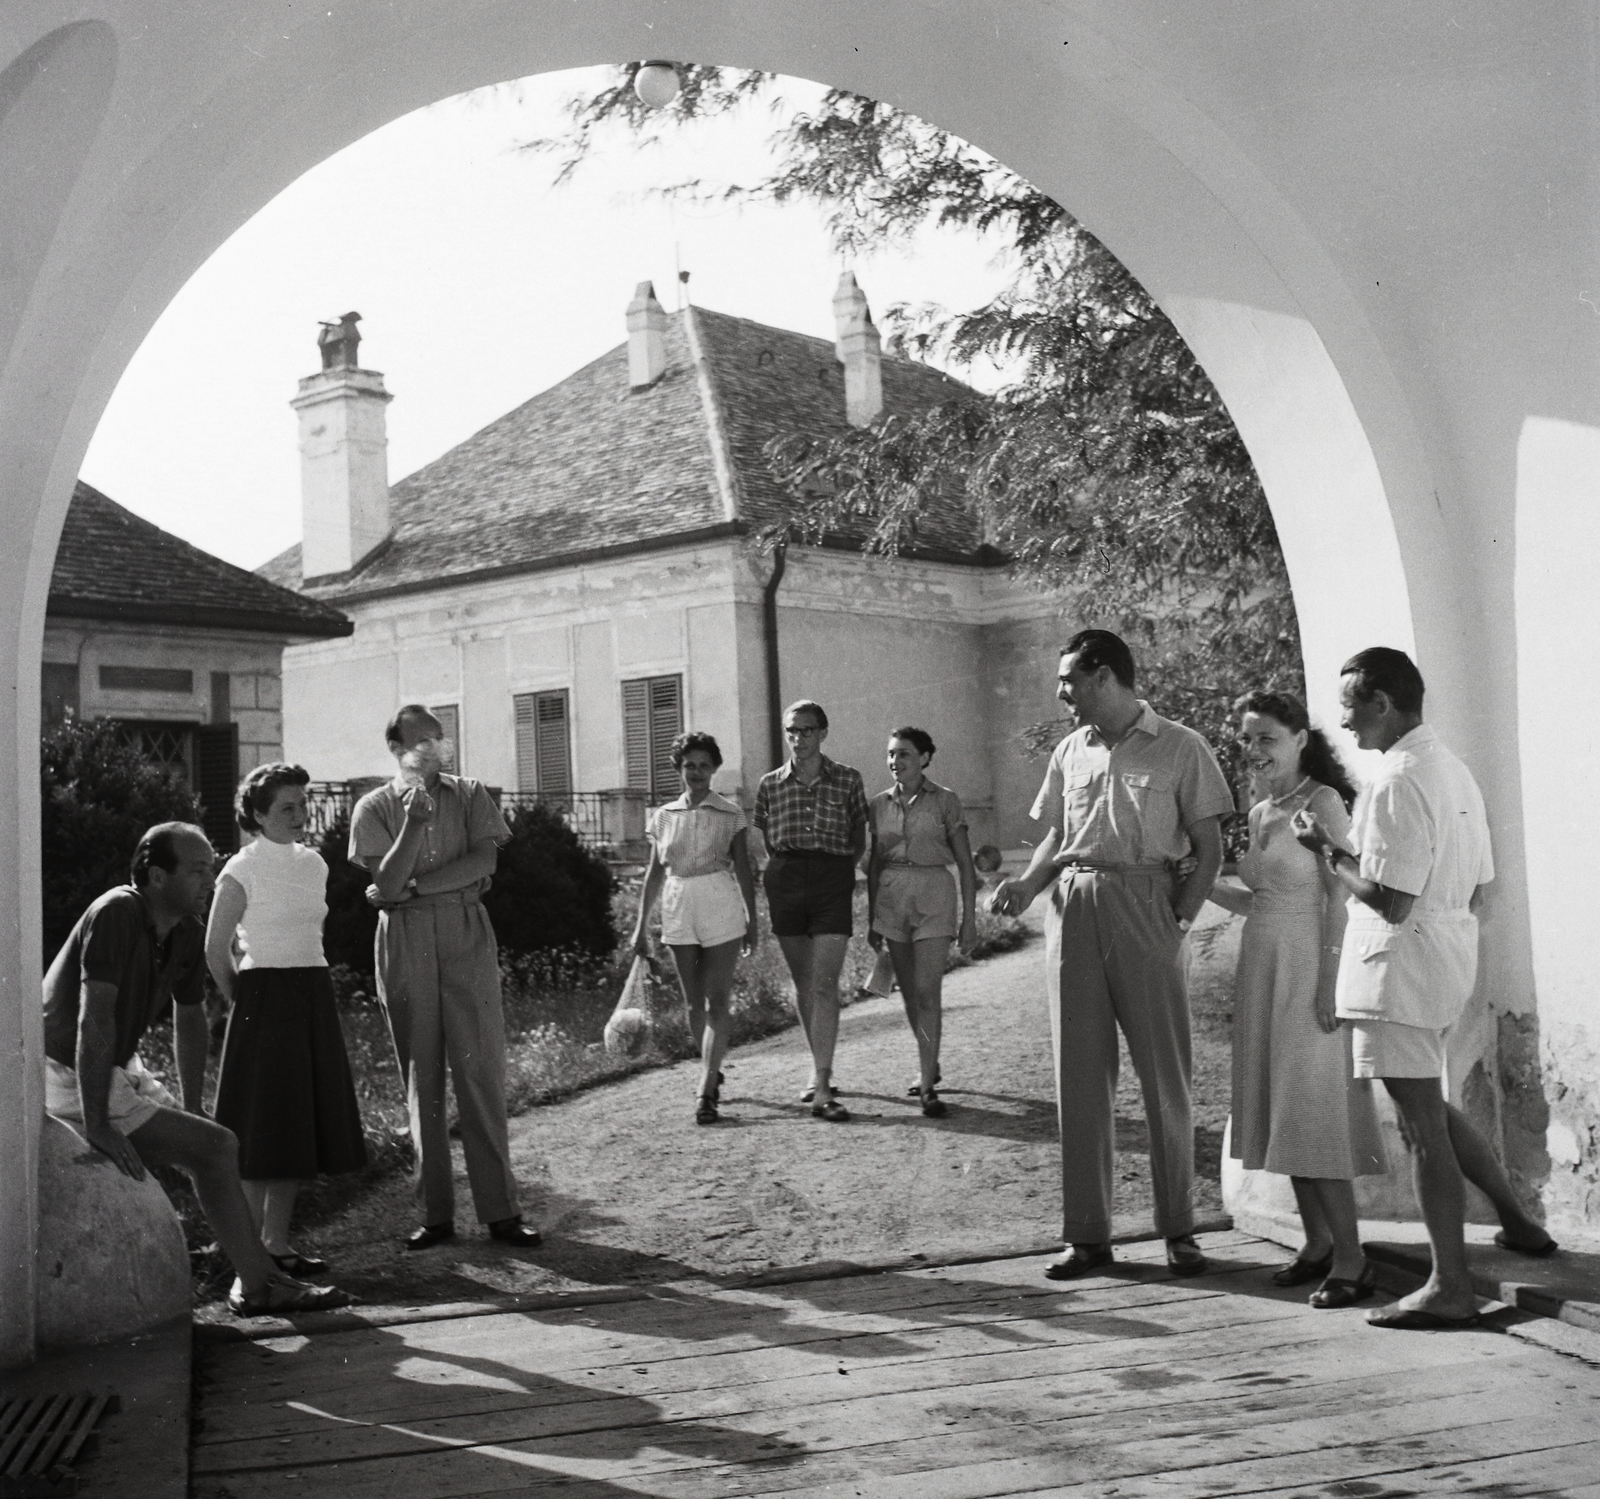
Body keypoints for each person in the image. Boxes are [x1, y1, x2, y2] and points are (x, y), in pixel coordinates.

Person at [1292, 647, 1557, 1329]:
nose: (1344, 720)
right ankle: (1519, 1223)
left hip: (1400, 965)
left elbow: (1390, 899)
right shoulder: (1452, 769)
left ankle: (1451, 1285)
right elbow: (1473, 881)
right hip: (1441, 957)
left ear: (1382, 702)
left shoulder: (1397, 778)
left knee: (1419, 1126)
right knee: (1429, 1106)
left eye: (1350, 704)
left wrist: (1329, 852)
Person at [990, 630, 1233, 1279]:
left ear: (1103, 677)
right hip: (1072, 911)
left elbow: (1208, 849)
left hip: (1146, 903)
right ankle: (1088, 1235)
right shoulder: (1070, 750)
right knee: (1079, 1075)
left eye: (1068, 679)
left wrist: (1175, 919)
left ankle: (1179, 1229)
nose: (1061, 692)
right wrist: (1026, 884)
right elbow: (1057, 838)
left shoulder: (1182, 746)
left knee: (1165, 1076)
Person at [41, 822, 352, 1315]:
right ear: (156, 877)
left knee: (211, 1143)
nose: (211, 879)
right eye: (198, 869)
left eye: (213, 867)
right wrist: (97, 1121)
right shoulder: (118, 912)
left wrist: (190, 1105)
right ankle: (257, 1284)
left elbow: (189, 1021)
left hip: (116, 1067)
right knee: (218, 1148)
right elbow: (92, 1018)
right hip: (63, 1073)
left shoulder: (185, 931)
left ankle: (256, 1280)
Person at [1206, 692, 1387, 1308]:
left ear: (1299, 738)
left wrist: (1330, 985)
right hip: (1264, 965)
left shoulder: (1323, 802)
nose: (1254, 750)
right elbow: (1258, 899)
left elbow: (1341, 897)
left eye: (1266, 738)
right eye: (1246, 739)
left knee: (1313, 1108)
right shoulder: (1260, 812)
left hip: (1311, 963)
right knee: (1283, 1102)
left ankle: (1354, 1259)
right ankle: (1316, 1244)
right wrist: (1201, 881)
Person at [351, 704, 538, 1250]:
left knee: (479, 1067)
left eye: (438, 735)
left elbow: (485, 862)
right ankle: (435, 1215)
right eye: (420, 739)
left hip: (463, 932)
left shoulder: (472, 794)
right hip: (405, 942)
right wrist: (414, 823)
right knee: (421, 1075)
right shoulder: (375, 807)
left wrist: (415, 889)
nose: (433, 746)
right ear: (395, 749)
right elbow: (382, 880)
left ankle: (501, 1210)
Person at [205, 763, 368, 1276]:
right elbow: (215, 948)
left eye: (303, 804)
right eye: (287, 808)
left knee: (296, 1122)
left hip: (311, 994)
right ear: (257, 814)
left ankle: (277, 1243)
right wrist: (242, 1001)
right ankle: (246, 1254)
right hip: (263, 996)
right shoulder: (241, 868)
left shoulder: (315, 864)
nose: (300, 816)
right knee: (260, 1128)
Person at [629, 732, 758, 1125]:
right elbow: (654, 874)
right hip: (678, 902)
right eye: (689, 765)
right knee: (693, 1003)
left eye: (704, 765)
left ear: (715, 769)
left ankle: (705, 1089)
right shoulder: (664, 816)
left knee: (718, 1000)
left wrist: (752, 920)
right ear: (679, 769)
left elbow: (745, 870)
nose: (697, 772)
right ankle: (711, 1068)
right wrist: (640, 929)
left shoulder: (731, 813)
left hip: (720, 901)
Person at [753, 699, 869, 1123]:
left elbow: (859, 833)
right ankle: (816, 1068)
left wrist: (841, 870)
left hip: (831, 879)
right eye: (791, 731)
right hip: (785, 880)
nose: (798, 739)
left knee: (825, 983)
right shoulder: (770, 784)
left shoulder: (847, 779)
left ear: (823, 732)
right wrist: (787, 871)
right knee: (804, 982)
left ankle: (823, 1083)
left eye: (806, 730)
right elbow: (766, 839)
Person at [865, 727, 979, 1117]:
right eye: (891, 754)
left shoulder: (946, 801)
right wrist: (871, 918)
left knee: (929, 991)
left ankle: (928, 1085)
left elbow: (965, 863)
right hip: (892, 897)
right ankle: (929, 1061)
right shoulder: (878, 804)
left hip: (934, 893)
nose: (895, 762)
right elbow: (876, 863)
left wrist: (970, 920)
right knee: (911, 993)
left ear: (925, 758)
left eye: (905, 755)